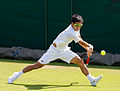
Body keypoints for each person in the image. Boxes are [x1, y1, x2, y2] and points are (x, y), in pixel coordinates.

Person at [8, 14, 103, 86]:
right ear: (72, 24)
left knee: (80, 62)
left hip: (64, 50)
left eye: (80, 25)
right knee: (37, 66)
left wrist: (87, 49)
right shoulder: (70, 32)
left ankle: (92, 80)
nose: (78, 27)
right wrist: (89, 46)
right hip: (53, 51)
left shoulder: (77, 29)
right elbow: (80, 42)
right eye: (77, 25)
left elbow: (79, 37)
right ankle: (17, 75)